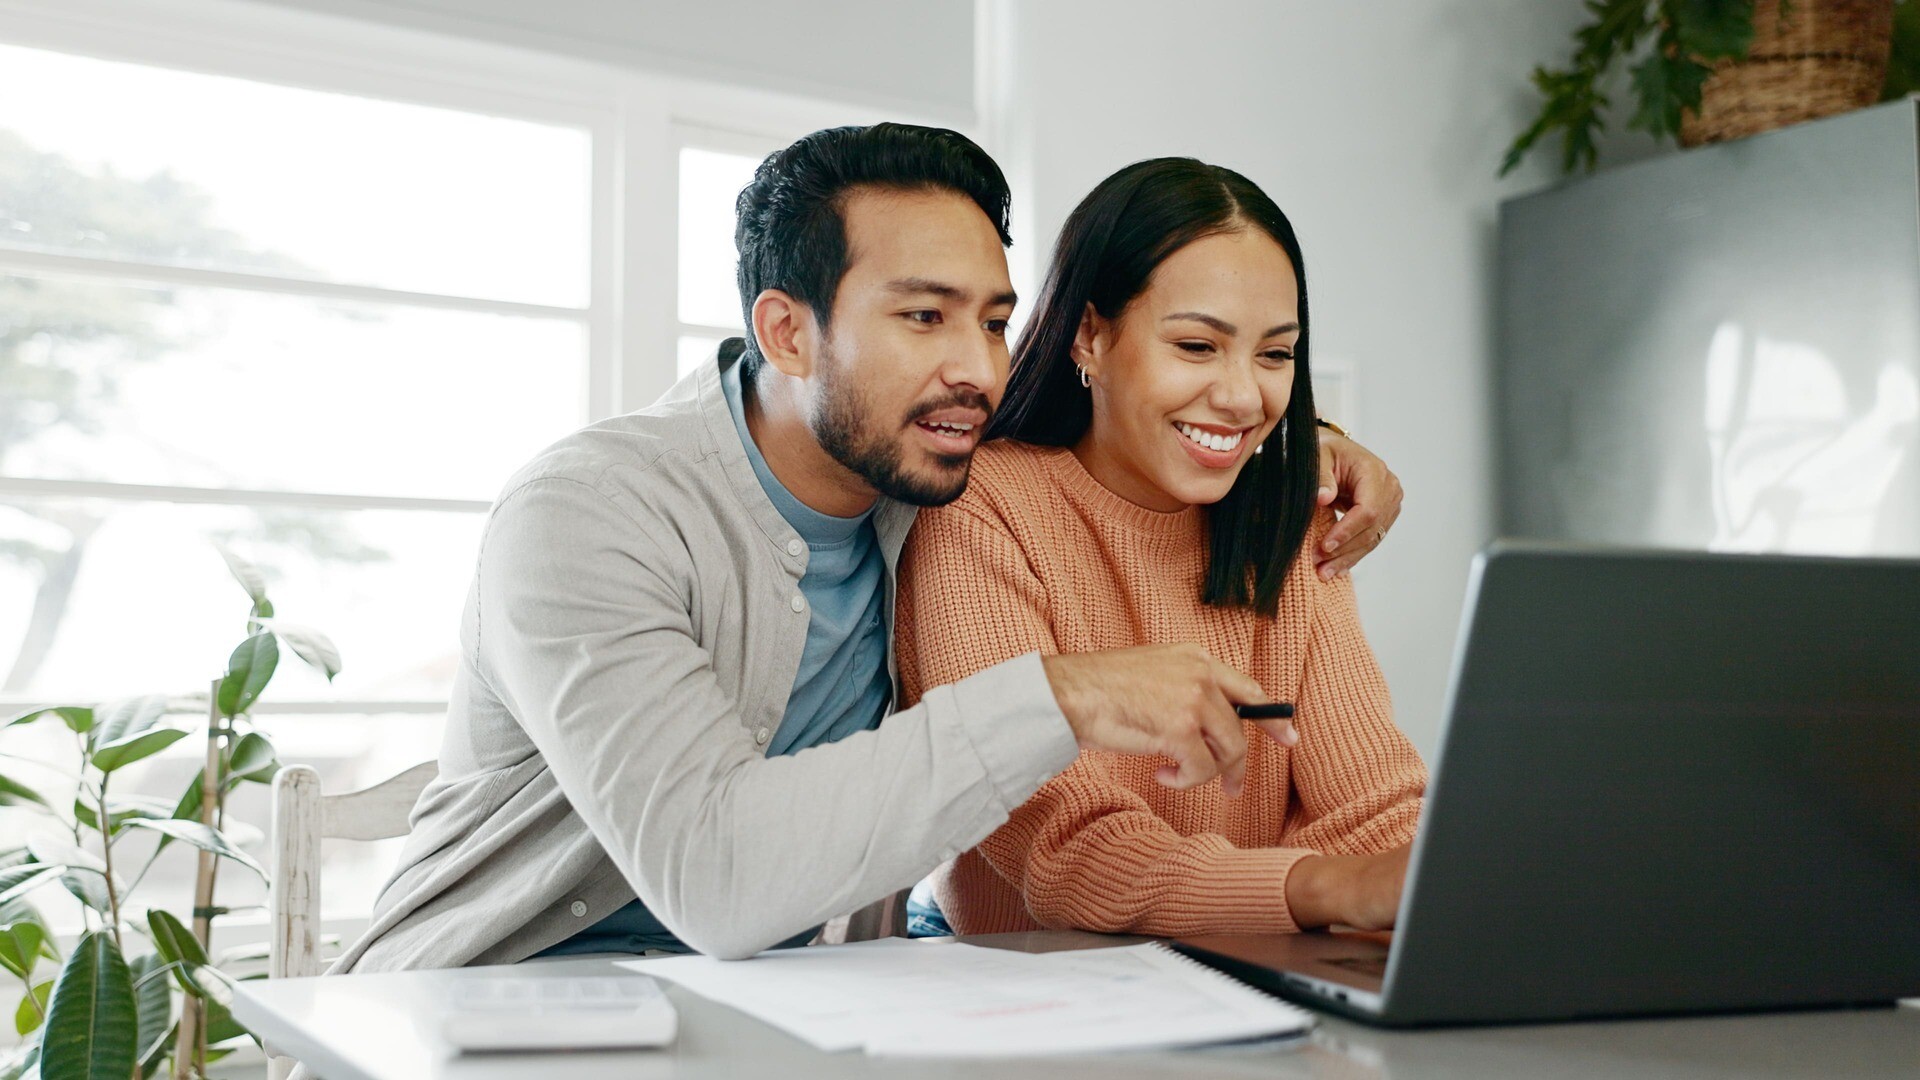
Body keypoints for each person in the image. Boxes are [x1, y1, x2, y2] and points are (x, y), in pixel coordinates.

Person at [334, 126, 1404, 971]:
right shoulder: (588, 515)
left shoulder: (927, 485)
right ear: (787, 331)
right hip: (478, 1000)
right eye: (923, 318)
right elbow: (717, 878)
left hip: (771, 1006)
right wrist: (1062, 694)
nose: (977, 369)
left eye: (990, 322)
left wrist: (1308, 441)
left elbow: (1105, 455)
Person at [896, 158, 1425, 939]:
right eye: (1197, 346)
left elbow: (1377, 816)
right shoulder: (979, 509)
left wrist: (1378, 883)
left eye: (1275, 354)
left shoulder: (1297, 518)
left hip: (1259, 958)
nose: (1245, 396)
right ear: (1090, 336)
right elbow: (1067, 851)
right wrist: (1318, 884)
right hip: (1036, 982)